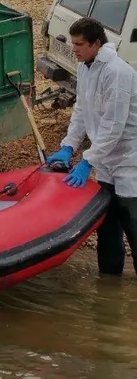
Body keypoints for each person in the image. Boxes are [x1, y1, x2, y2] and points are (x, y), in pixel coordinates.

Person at [46, 17, 137, 276]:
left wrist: (88, 161)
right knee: (107, 229)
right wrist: (68, 146)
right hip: (107, 161)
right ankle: (109, 282)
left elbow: (114, 125)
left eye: (79, 44)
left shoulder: (117, 73)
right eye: (73, 42)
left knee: (133, 225)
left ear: (97, 43)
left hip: (131, 160)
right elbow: (82, 111)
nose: (73, 48)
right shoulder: (86, 67)